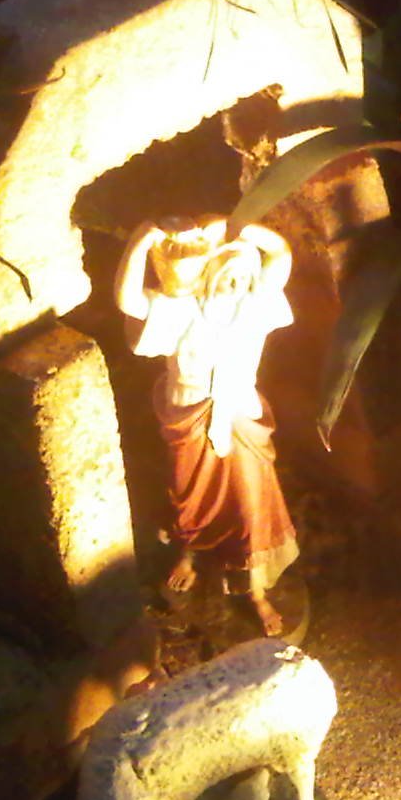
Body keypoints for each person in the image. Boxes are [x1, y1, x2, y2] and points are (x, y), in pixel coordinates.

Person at [116, 214, 300, 635]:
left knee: (251, 500)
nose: (235, 284)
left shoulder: (255, 309)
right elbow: (128, 302)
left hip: (239, 417)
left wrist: (242, 229)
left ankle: (256, 591)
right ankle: (189, 554)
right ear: (208, 275)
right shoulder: (179, 312)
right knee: (188, 494)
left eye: (243, 277)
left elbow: (281, 255)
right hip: (190, 418)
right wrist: (142, 239)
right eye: (227, 275)